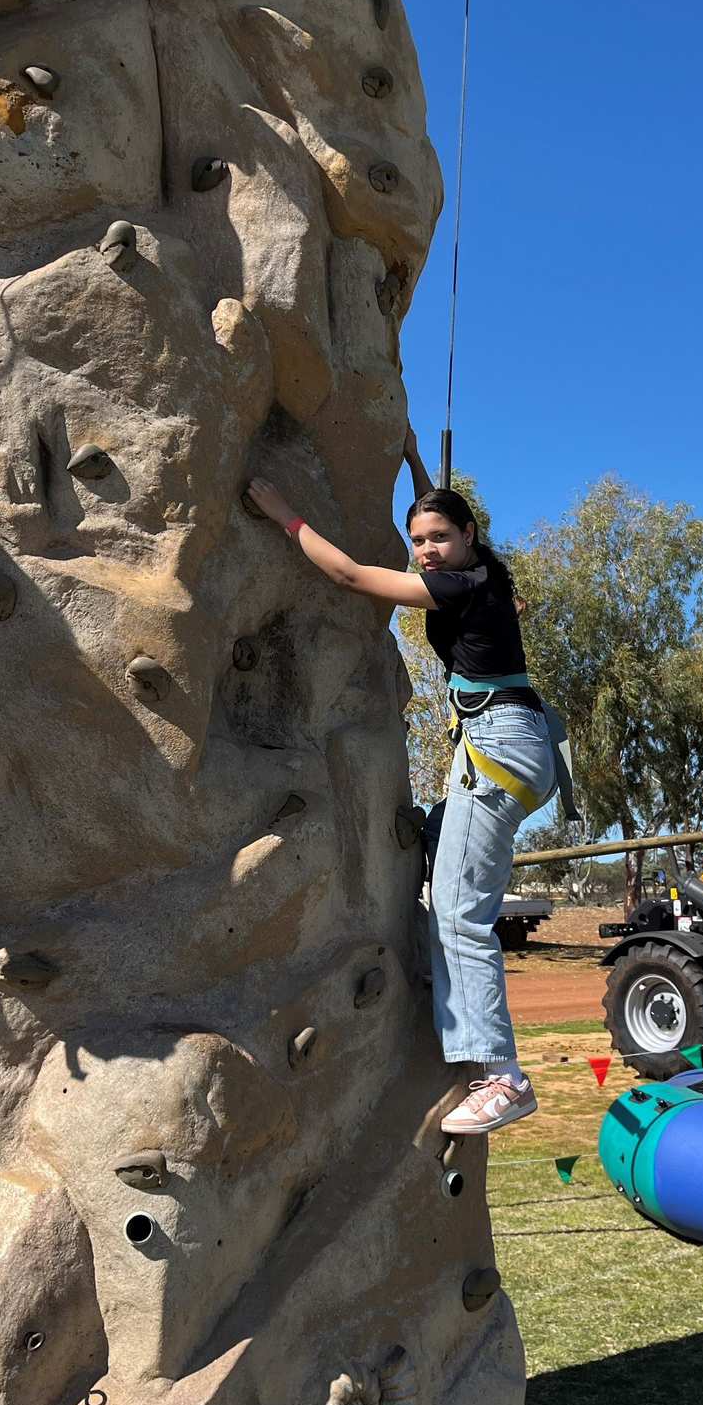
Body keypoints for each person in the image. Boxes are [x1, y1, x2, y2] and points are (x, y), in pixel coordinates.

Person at [246, 428, 557, 1134]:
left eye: (438, 539)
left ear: (469, 536)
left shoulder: (458, 584)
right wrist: (416, 457)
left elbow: (353, 577)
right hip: (503, 741)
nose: (425, 551)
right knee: (439, 846)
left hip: (498, 746)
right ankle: (445, 981)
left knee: (459, 911)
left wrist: (283, 514)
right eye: (419, 540)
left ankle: (503, 1078)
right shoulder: (490, 570)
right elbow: (437, 510)